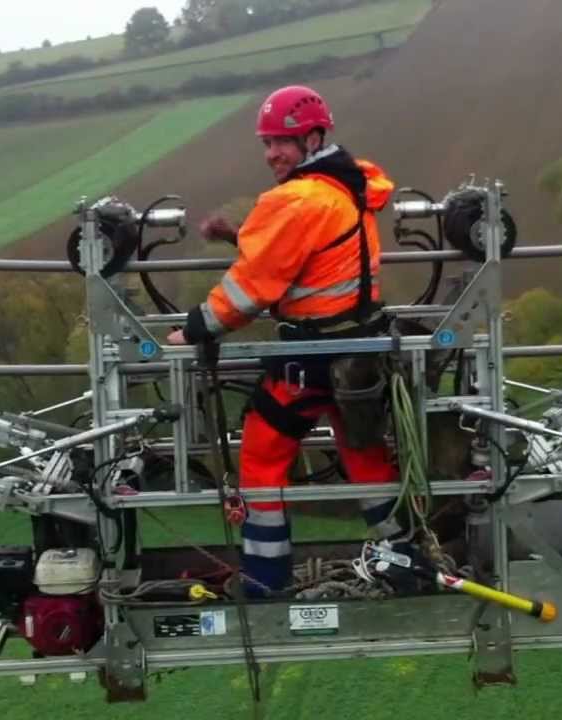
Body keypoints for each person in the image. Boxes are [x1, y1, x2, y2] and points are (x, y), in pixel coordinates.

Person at [165, 85, 410, 596]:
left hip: (309, 358)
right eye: (267, 142)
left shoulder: (298, 199)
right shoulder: (349, 186)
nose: (272, 153)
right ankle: (405, 563)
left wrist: (196, 328)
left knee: (260, 460)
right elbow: (307, 263)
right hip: (359, 351)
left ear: (314, 137)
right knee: (366, 457)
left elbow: (251, 287)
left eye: (283, 142)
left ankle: (265, 578)